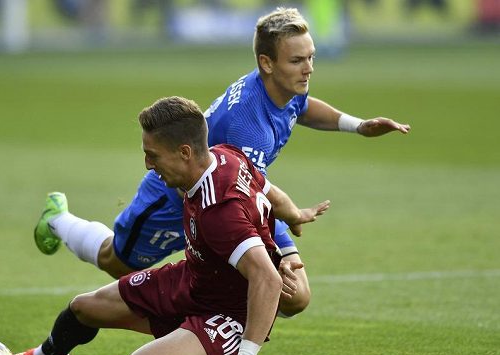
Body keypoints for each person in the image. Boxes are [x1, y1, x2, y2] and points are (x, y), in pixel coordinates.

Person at [33, 7, 408, 317]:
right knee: (117, 261)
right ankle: (57, 219)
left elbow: (304, 109)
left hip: (230, 202)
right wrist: (290, 216)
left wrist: (358, 126)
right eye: (297, 60)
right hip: (172, 198)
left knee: (293, 296)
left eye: (310, 58)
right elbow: (248, 189)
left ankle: (211, 339)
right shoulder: (246, 125)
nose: (308, 68)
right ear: (266, 63)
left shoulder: (285, 85)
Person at [16, 96, 319, 355]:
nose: (148, 165)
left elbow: (265, 278)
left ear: (185, 152)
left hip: (230, 312)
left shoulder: (220, 211)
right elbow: (269, 190)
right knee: (83, 308)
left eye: (154, 155)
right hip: (196, 280)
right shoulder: (226, 154)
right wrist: (294, 214)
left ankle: (175, 354)